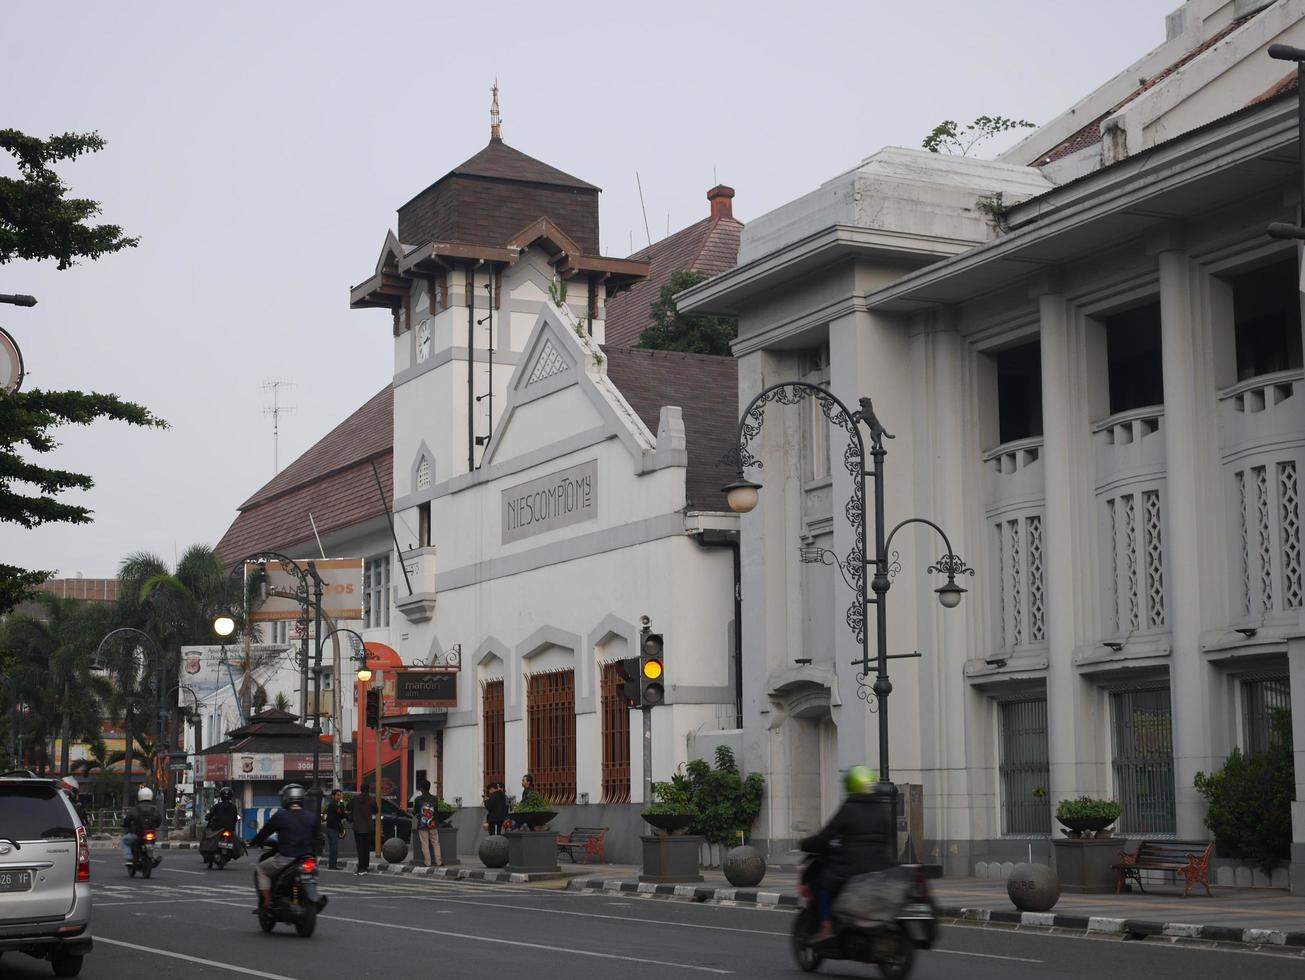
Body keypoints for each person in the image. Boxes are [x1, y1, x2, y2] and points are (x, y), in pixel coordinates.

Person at [799, 766, 896, 943]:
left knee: (822, 888)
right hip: (881, 869)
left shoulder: (849, 808)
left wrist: (805, 844)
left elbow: (826, 836)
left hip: (852, 869)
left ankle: (826, 928)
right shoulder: (883, 809)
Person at [248, 784, 323, 910]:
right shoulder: (312, 817)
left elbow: (264, 832)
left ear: (285, 799)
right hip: (307, 858)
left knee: (261, 869)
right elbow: (317, 837)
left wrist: (253, 842)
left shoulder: (280, 816)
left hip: (287, 858)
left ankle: (267, 902)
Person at [122, 786, 161, 867]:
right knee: (153, 843)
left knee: (124, 840)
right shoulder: (154, 810)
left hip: (137, 835)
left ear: (139, 796)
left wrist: (125, 825)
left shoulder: (135, 809)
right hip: (151, 835)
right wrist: (155, 826)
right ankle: (153, 856)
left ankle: (129, 858)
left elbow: (127, 819)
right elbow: (159, 821)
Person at [411, 779, 442, 868]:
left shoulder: (418, 799)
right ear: (429, 788)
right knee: (436, 843)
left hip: (422, 824)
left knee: (424, 843)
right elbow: (436, 811)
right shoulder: (435, 798)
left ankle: (427, 862)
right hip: (433, 824)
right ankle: (438, 862)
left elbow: (416, 812)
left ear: (421, 788)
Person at [351, 782, 377, 876]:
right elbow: (376, 810)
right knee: (366, 847)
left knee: (360, 847)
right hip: (368, 827)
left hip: (357, 827)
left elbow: (348, 807)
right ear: (368, 789)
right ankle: (365, 865)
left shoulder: (355, 799)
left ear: (361, 789)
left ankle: (361, 866)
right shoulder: (371, 799)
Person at [321, 788, 348, 870]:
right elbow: (342, 813)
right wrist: (342, 803)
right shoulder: (333, 805)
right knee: (334, 847)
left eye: (340, 795)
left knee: (334, 847)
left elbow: (342, 815)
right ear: (333, 796)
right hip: (332, 829)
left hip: (334, 828)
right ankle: (332, 865)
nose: (339, 797)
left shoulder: (336, 805)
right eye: (338, 795)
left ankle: (332, 865)